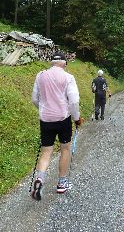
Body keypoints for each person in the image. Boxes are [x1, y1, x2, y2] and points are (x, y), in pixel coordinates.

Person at [30, 51, 83, 200]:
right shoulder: (68, 77)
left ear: (52, 62)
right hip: (63, 119)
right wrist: (77, 118)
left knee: (46, 152)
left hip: (45, 119)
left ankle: (40, 179)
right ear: (64, 63)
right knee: (65, 149)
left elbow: (35, 99)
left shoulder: (40, 75)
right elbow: (73, 101)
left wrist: (43, 109)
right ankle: (61, 184)